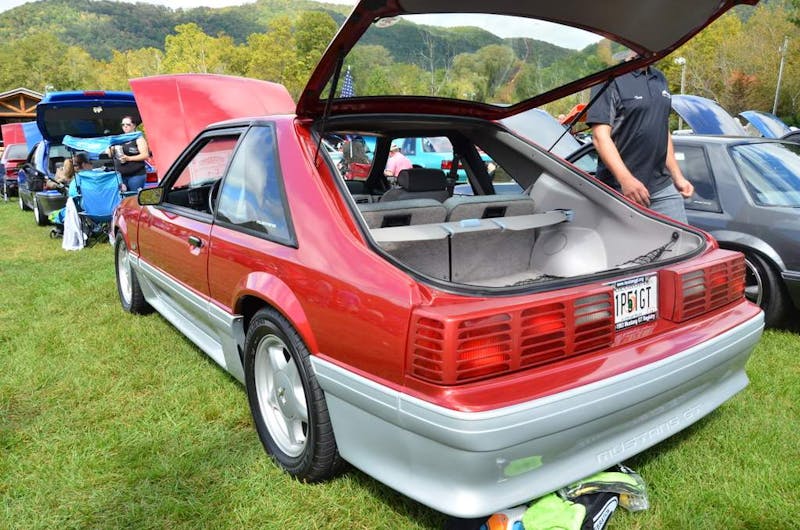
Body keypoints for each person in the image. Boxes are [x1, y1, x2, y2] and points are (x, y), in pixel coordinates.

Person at [586, 58, 694, 223]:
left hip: (661, 188)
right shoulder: (610, 79)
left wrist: (677, 176)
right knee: (627, 248)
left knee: (682, 244)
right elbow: (600, 137)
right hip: (619, 190)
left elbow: (662, 130)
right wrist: (626, 180)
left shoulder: (659, 78)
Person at [112, 116, 150, 192]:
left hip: (136, 175)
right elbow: (110, 155)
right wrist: (111, 149)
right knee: (123, 198)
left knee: (134, 197)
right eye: (123, 125)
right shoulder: (119, 139)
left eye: (128, 124)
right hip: (121, 175)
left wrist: (129, 158)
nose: (125, 126)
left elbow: (145, 155)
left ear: (134, 125)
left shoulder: (138, 139)